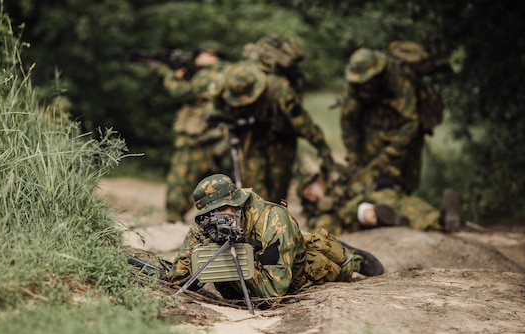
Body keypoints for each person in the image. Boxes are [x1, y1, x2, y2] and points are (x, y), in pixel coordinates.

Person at [167, 174, 384, 305]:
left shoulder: (273, 219)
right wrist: (205, 244)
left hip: (301, 274)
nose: (220, 216)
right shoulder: (206, 224)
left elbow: (273, 294)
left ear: (238, 203)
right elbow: (178, 279)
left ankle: (351, 257)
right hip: (256, 274)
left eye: (224, 208)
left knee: (331, 266)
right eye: (212, 212)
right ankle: (305, 240)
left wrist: (230, 258)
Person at [214, 59, 337, 205]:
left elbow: (301, 121)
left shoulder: (278, 87)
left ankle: (275, 221)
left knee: (277, 188)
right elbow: (214, 107)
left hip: (280, 139)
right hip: (250, 137)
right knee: (254, 187)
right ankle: (258, 221)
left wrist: (320, 145)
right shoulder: (224, 80)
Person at [339, 46, 448, 197]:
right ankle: (376, 207)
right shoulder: (353, 83)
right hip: (374, 128)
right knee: (370, 175)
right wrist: (354, 153)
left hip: (404, 131)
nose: (364, 85)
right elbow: (348, 120)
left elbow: (410, 122)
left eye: (368, 80)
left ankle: (406, 209)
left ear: (377, 73)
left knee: (404, 179)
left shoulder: (398, 77)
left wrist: (389, 155)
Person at [147, 41, 232, 223]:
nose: (197, 59)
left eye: (201, 55)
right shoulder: (227, 73)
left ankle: (174, 217)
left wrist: (165, 73)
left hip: (197, 137)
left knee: (181, 177)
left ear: (212, 55)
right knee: (211, 178)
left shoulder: (208, 74)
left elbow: (182, 92)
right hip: (215, 136)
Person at [296, 155, 461, 234]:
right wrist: (326, 207)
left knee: (397, 200)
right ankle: (387, 220)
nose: (311, 195)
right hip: (352, 213)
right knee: (366, 211)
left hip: (370, 196)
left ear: (318, 180)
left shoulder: (337, 176)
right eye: (307, 196)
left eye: (310, 190)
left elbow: (360, 177)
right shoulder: (316, 210)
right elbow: (320, 226)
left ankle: (441, 219)